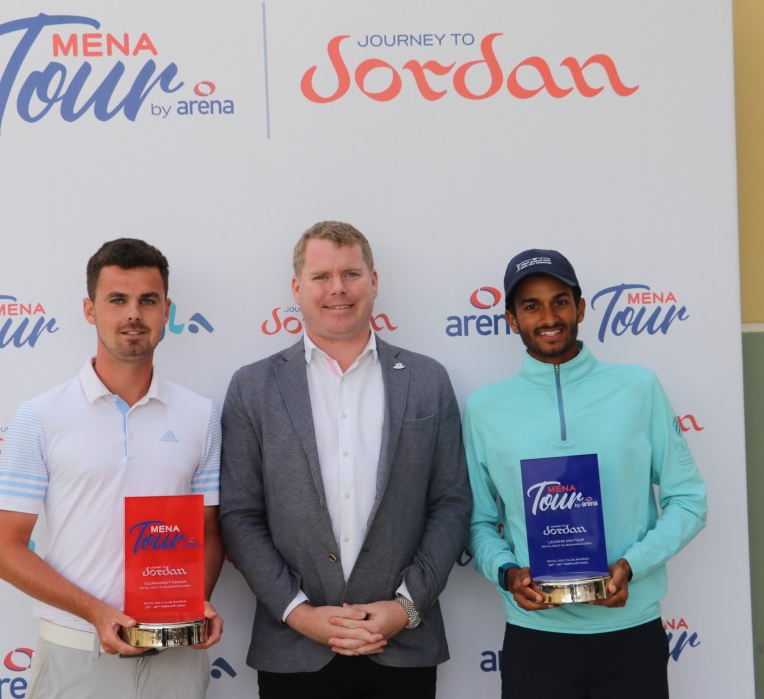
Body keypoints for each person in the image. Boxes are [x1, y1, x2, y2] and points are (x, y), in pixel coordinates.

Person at [219, 220, 471, 698]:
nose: (337, 289)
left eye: (351, 274)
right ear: (297, 288)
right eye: (321, 277)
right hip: (294, 651)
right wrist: (299, 613)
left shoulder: (427, 379)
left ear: (374, 282)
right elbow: (239, 514)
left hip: (401, 646)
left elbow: (451, 502)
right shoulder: (253, 388)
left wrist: (406, 607)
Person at [0, 238, 223, 699]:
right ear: (90, 310)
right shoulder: (41, 415)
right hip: (76, 655)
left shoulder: (201, 415)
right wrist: (96, 612)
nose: (133, 314)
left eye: (147, 301)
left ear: (166, 310)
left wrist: (191, 603)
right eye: (117, 300)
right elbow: (2, 547)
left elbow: (208, 531)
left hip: (175, 655)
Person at [464, 248, 707, 698]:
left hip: (632, 633)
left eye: (560, 301)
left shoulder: (638, 387)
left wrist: (631, 566)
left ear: (580, 307)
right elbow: (477, 523)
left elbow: (688, 500)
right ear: (511, 319)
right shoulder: (484, 409)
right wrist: (507, 573)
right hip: (536, 640)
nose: (548, 317)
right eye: (530, 306)